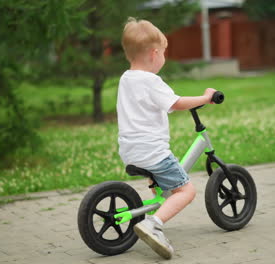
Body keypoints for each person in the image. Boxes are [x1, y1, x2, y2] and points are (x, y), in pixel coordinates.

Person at [117, 17, 216, 259]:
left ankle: (157, 199)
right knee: (186, 191)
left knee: (161, 181)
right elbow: (177, 103)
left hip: (129, 150)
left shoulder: (126, 78)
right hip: (152, 152)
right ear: (153, 54)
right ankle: (153, 224)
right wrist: (205, 98)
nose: (164, 57)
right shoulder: (152, 81)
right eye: (163, 52)